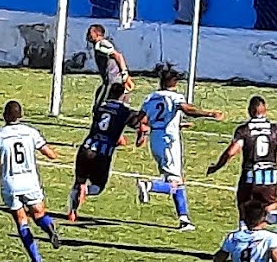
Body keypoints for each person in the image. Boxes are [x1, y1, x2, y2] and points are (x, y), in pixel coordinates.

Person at [0, 100, 64, 262]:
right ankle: (49, 229)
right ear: (21, 116)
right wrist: (56, 154)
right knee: (39, 214)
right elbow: (49, 153)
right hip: (30, 182)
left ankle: (36, 259)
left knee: (21, 221)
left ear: (4, 116)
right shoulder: (30, 132)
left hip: (11, 184)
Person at [134, 67, 220, 229]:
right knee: (175, 181)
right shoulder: (175, 97)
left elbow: (141, 120)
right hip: (169, 141)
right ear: (173, 82)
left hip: (156, 140)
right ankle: (148, 185)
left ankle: (184, 219)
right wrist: (209, 114)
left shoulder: (150, 98)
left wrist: (143, 134)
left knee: (175, 180)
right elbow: (188, 110)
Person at [204, 96, 277, 233]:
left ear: (250, 111)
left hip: (250, 175)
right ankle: (274, 217)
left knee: (244, 206)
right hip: (270, 175)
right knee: (270, 203)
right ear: (266, 110)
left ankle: (243, 235)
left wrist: (216, 167)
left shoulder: (244, 130)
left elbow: (230, 153)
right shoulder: (276, 129)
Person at [70, 80, 141, 222]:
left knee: (79, 182)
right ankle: (87, 191)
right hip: (103, 153)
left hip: (86, 148)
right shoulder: (124, 111)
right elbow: (138, 122)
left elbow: (104, 124)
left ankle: (72, 212)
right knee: (98, 186)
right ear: (122, 95)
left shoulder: (100, 107)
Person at [85, 23, 128, 99]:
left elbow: (118, 55)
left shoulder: (102, 44)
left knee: (104, 103)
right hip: (108, 80)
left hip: (113, 80)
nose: (88, 35)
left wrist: (124, 72)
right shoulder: (98, 45)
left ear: (97, 33)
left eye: (90, 33)